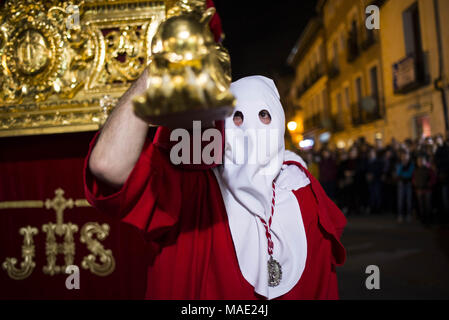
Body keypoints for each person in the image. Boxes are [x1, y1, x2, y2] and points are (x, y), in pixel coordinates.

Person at [84, 73, 347, 299]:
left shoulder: (302, 190)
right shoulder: (193, 189)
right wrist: (155, 74)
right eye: (237, 117)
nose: (250, 128)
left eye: (264, 115)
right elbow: (109, 164)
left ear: (278, 119)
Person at [412, 153, 436, 224]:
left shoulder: (429, 170)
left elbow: (433, 179)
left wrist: (429, 184)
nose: (420, 162)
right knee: (421, 206)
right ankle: (423, 219)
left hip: (427, 190)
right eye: (418, 161)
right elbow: (413, 178)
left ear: (425, 161)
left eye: (422, 161)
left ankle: (428, 220)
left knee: (428, 206)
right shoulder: (416, 170)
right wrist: (415, 183)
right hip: (419, 190)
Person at [396, 150, 415, 223]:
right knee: (400, 200)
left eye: (406, 155)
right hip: (401, 183)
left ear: (409, 156)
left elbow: (410, 174)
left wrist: (403, 175)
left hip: (408, 183)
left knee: (408, 200)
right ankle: (400, 215)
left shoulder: (411, 164)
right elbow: (398, 173)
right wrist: (402, 166)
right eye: (403, 156)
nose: (404, 157)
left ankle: (408, 215)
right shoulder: (399, 164)